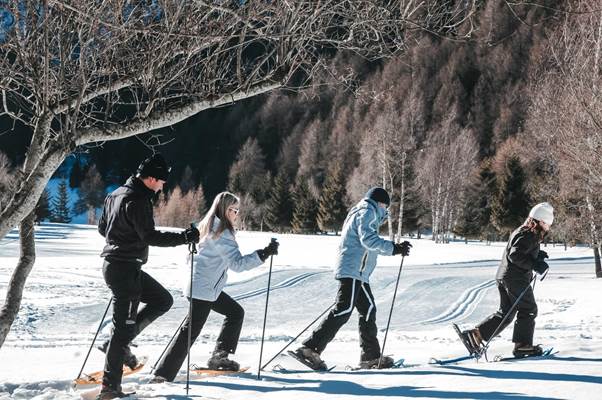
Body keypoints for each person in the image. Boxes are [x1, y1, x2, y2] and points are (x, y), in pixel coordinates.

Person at [96, 154, 200, 400]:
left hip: (119, 266)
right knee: (121, 330)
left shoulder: (115, 194)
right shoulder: (138, 199)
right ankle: (109, 389)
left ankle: (118, 347)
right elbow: (150, 236)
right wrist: (184, 238)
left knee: (162, 300)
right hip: (124, 269)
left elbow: (103, 228)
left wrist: (121, 237)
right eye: (162, 181)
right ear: (151, 178)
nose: (163, 185)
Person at [150, 191, 279, 383]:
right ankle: (163, 374)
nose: (236, 213)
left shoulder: (207, 225)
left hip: (203, 286)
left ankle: (219, 357)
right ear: (224, 210)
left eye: (237, 210)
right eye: (233, 209)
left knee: (235, 313)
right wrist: (263, 254)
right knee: (190, 331)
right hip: (204, 289)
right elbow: (237, 264)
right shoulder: (222, 233)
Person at [293, 187, 411, 370]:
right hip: (353, 269)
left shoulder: (364, 211)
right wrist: (394, 248)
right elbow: (368, 240)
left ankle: (370, 357)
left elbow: (368, 245)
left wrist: (395, 249)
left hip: (359, 272)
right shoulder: (367, 211)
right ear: (380, 203)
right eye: (385, 207)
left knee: (368, 309)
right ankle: (310, 348)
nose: (385, 212)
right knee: (344, 308)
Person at [460, 202, 554, 358]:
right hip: (515, 279)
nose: (548, 228)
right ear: (540, 221)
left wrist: (537, 256)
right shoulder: (529, 234)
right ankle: (523, 346)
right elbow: (515, 255)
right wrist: (535, 264)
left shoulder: (523, 231)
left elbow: (519, 251)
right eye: (547, 224)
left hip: (505, 276)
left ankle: (475, 335)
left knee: (506, 313)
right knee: (528, 309)